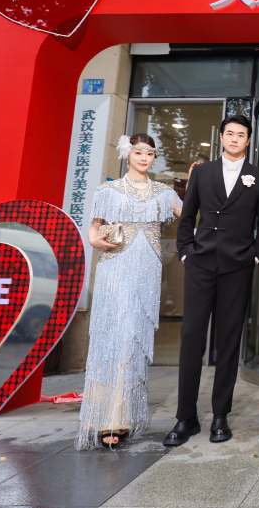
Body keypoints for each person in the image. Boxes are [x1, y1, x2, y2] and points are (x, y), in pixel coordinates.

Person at [165, 115, 259, 446]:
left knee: (229, 340)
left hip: (238, 266)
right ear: (222, 137)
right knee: (191, 337)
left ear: (248, 140)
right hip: (200, 262)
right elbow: (188, 215)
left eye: (241, 134)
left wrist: (255, 255)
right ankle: (185, 418)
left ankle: (220, 416)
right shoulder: (202, 172)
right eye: (230, 133)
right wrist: (186, 252)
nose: (235, 138)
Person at [77, 134, 183, 450]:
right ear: (127, 154)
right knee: (111, 337)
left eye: (150, 153)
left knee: (132, 340)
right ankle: (103, 418)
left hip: (146, 270)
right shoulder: (107, 191)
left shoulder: (164, 192)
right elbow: (95, 226)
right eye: (138, 152)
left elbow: (191, 215)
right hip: (114, 267)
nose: (144, 157)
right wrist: (94, 239)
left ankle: (122, 416)